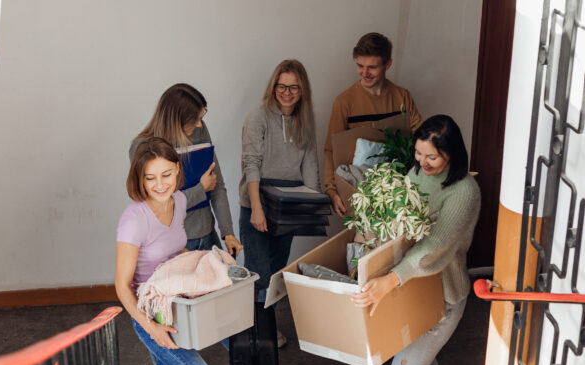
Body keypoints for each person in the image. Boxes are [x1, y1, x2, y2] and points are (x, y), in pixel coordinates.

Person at [351, 115, 481, 365]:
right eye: (419, 154)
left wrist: (389, 280)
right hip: (411, 288)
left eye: (431, 157)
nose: (423, 162)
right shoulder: (417, 172)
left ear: (451, 153)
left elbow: (433, 247)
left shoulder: (465, 191)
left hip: (442, 297)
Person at [239, 59, 320, 346]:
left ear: (302, 90)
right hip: (258, 200)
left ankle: (264, 325)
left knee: (274, 274)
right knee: (258, 271)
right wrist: (256, 208)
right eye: (281, 86)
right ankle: (256, 331)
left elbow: (311, 167)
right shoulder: (257, 117)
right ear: (273, 86)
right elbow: (250, 164)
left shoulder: (305, 122)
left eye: (294, 87)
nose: (286, 92)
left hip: (289, 204)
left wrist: (313, 207)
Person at [115, 137, 209, 365]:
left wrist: (204, 265)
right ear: (141, 179)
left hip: (176, 303)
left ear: (178, 168)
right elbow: (121, 285)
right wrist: (150, 326)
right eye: (150, 178)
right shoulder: (134, 220)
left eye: (166, 174)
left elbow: (175, 249)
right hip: (149, 313)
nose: (160, 185)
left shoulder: (180, 200)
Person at [130, 83, 242, 256]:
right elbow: (157, 205)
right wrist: (200, 189)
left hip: (208, 236)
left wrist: (228, 233)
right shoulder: (142, 148)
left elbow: (217, 185)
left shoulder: (199, 130)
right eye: (194, 120)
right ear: (175, 120)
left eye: (201, 117)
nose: (199, 125)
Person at [324, 32, 424, 217]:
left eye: (372, 67)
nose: (365, 73)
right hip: (357, 191)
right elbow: (331, 150)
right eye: (360, 66)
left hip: (398, 189)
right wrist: (332, 190)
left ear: (388, 64)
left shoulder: (402, 96)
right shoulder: (344, 102)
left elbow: (422, 138)